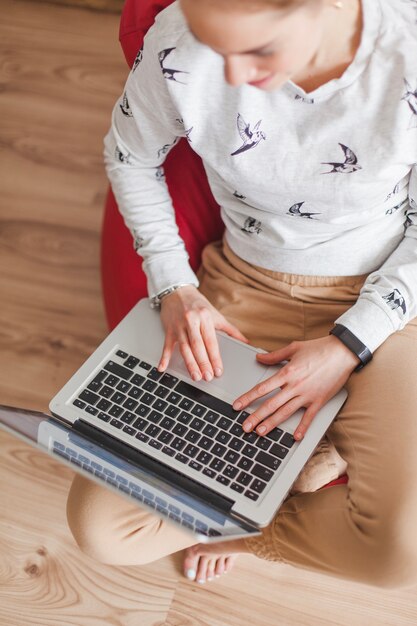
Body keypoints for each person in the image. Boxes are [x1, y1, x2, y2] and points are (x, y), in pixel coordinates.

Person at [66, 0, 417, 590]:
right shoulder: (180, 38)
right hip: (243, 285)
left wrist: (348, 345)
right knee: (100, 525)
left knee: (402, 552)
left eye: (255, 51)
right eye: (215, 46)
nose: (229, 78)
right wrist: (174, 285)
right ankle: (284, 477)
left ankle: (241, 508)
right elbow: (129, 157)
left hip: (386, 305)